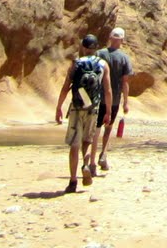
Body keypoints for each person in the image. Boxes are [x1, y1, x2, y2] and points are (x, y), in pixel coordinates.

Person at [54, 33, 106, 193]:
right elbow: (108, 89)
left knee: (74, 145)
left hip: (77, 107)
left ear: (83, 47)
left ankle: (73, 181)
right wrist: (109, 111)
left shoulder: (76, 64)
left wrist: (59, 107)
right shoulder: (103, 64)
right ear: (96, 48)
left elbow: (65, 87)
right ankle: (86, 163)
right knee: (87, 140)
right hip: (93, 108)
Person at [93, 26, 134, 172]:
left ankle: (91, 159)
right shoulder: (124, 58)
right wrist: (126, 102)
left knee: (95, 127)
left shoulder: (99, 53)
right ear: (122, 40)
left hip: (98, 96)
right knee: (108, 127)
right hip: (115, 98)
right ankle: (103, 154)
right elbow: (125, 82)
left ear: (110, 38)